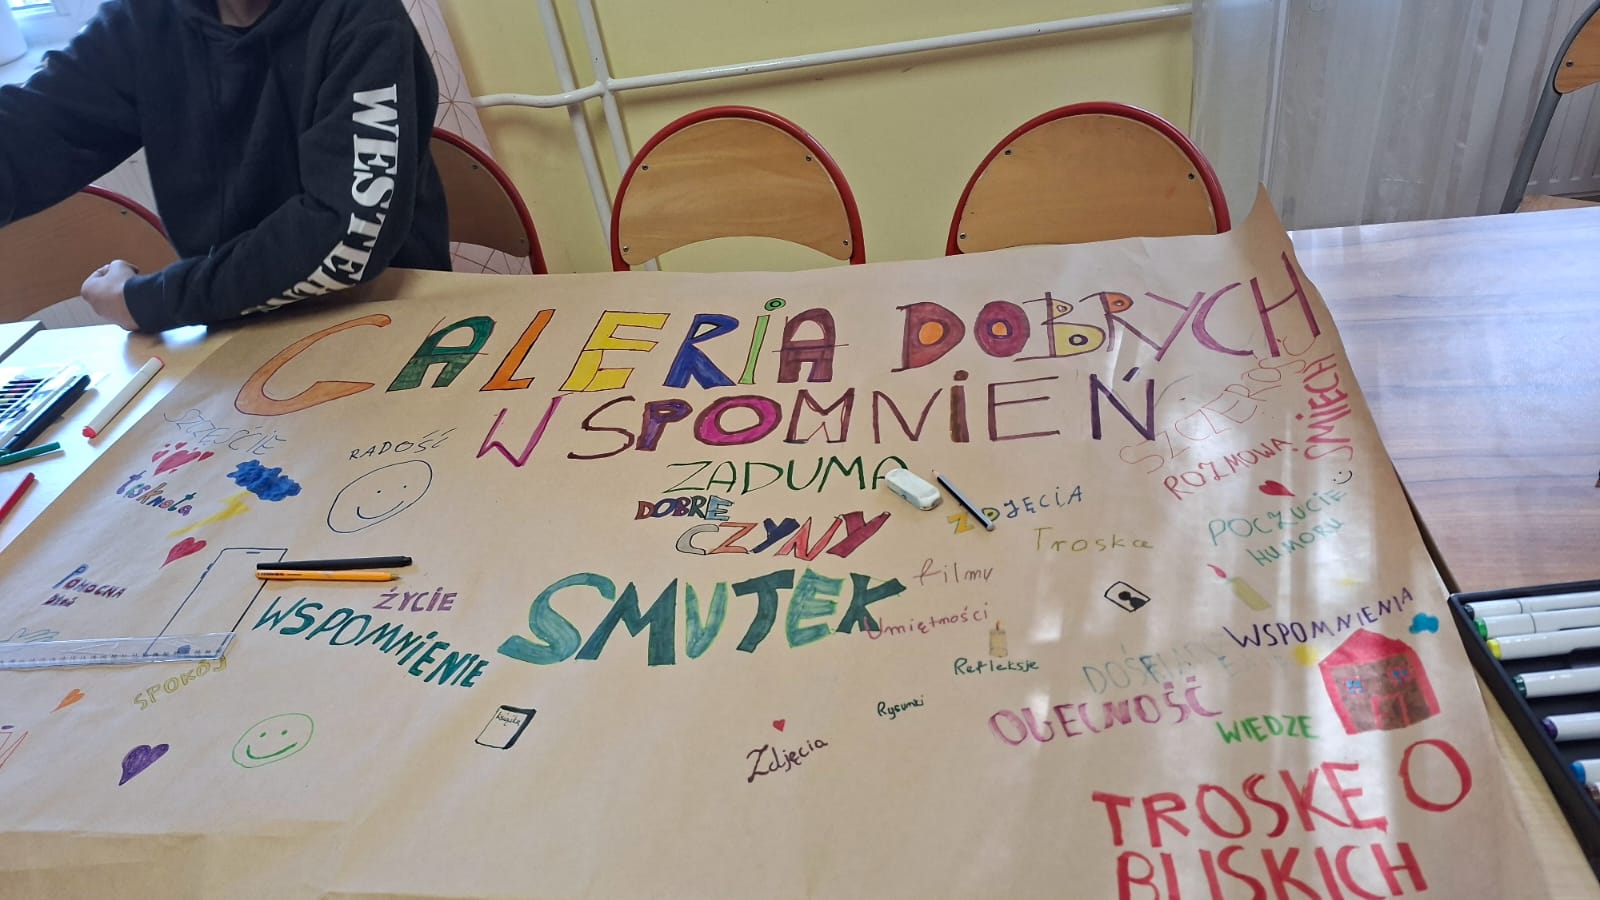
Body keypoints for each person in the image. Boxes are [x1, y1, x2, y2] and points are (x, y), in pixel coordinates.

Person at [0, 0, 450, 332]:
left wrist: (153, 300)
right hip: (238, 330)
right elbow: (33, 130)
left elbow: (343, 235)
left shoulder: (362, 18)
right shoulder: (143, 21)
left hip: (391, 319)